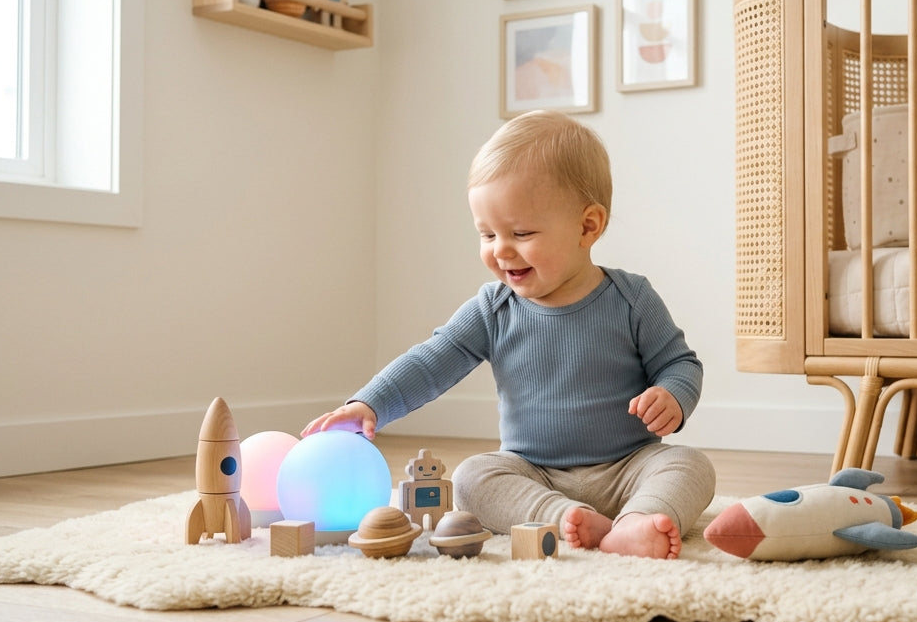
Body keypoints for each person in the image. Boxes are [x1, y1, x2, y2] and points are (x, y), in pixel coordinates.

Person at [302, 110, 714, 559]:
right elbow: (431, 360)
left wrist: (672, 395)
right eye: (487, 234)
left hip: (629, 466)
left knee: (689, 465)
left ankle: (638, 520)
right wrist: (369, 403)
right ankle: (565, 517)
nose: (501, 250)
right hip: (532, 472)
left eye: (521, 232)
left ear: (587, 226)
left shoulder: (632, 297)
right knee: (472, 478)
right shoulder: (493, 308)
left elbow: (680, 364)